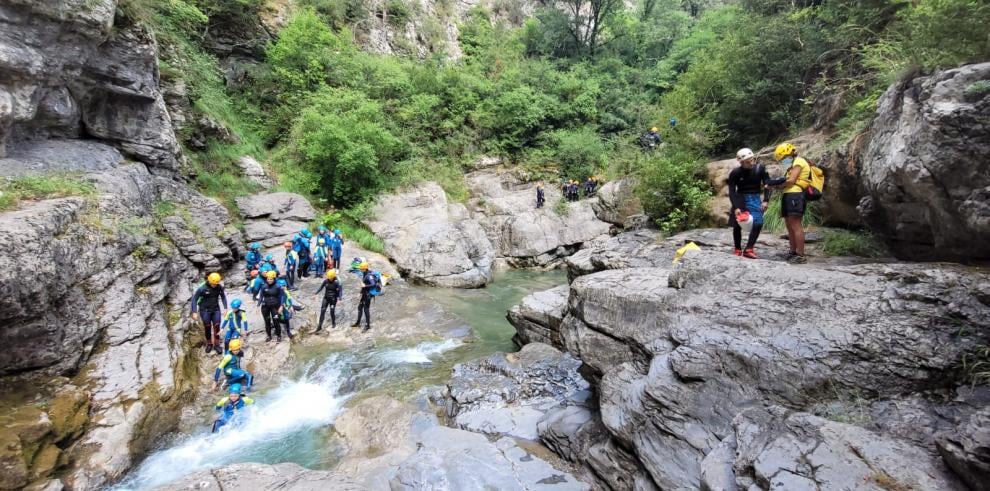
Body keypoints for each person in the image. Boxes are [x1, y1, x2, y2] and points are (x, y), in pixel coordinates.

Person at [771, 142, 811, 264]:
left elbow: (791, 181)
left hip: (795, 195)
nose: (783, 161)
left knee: (795, 225)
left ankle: (800, 255)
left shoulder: (798, 162)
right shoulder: (792, 164)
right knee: (789, 224)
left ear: (789, 154)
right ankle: (792, 251)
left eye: (783, 158)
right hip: (789, 195)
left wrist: (777, 185)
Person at [727, 148, 772, 259]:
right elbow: (732, 191)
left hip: (755, 198)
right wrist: (736, 207)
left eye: (752, 159)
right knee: (737, 224)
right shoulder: (735, 173)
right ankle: (737, 248)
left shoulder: (760, 169)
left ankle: (749, 249)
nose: (751, 162)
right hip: (740, 197)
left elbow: (768, 184)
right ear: (741, 162)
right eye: (747, 161)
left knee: (758, 223)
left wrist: (766, 200)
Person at [192, 272, 228, 355]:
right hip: (205, 310)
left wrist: (225, 307)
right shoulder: (202, 288)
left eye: (216, 284)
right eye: (213, 284)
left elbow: (223, 296)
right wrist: (194, 312)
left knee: (217, 326)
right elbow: (194, 299)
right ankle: (209, 344)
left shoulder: (219, 287)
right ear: (209, 281)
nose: (215, 285)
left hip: (216, 309)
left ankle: (217, 344)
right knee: (207, 327)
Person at [254, 270, 286, 342]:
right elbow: (261, 297)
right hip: (265, 307)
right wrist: (258, 306)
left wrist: (281, 306)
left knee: (276, 321)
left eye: (271, 279)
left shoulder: (278, 287)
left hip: (275, 306)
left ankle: (279, 336)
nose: (269, 280)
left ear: (274, 279)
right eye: (268, 279)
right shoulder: (264, 286)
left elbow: (282, 297)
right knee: (267, 321)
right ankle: (269, 336)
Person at [352, 262, 378, 332]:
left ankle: (367, 325)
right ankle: (358, 323)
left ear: (365, 268)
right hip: (364, 294)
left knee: (366, 309)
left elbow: (373, 284)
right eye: (360, 269)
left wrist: (365, 286)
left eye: (362, 269)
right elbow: (363, 284)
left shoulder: (369, 276)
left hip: (368, 295)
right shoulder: (364, 274)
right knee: (360, 307)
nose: (360, 270)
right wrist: (360, 293)